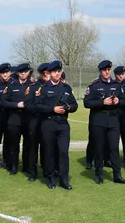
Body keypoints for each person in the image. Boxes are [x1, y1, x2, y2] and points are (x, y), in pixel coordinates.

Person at [83, 60, 125, 185]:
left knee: (114, 148)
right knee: (99, 148)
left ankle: (117, 175)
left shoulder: (117, 85)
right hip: (98, 119)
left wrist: (118, 101)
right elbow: (87, 103)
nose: (107, 72)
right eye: (105, 70)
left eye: (109, 69)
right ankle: (99, 174)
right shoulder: (94, 86)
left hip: (113, 120)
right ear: (100, 71)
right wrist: (102, 102)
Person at [36, 60, 78, 189]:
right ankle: (51, 178)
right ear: (50, 73)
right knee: (49, 152)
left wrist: (69, 107)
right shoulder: (43, 88)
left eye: (59, 71)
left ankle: (64, 179)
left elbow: (75, 105)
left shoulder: (66, 88)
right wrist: (52, 109)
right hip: (48, 123)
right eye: (55, 72)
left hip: (62, 124)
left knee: (63, 152)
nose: (58, 74)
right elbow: (37, 106)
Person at [2, 63, 32, 175]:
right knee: (13, 145)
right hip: (14, 119)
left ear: (28, 72)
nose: (23, 74)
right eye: (21, 72)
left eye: (25, 72)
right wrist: (16, 105)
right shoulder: (11, 85)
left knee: (27, 145)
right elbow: (4, 102)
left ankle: (26, 166)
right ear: (18, 73)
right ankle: (14, 166)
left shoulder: (33, 85)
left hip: (28, 119)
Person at [25, 63, 50, 182]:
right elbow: (28, 105)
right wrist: (39, 108)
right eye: (43, 73)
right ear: (40, 74)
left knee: (47, 147)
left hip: (48, 121)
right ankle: (32, 172)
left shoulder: (52, 87)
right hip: (35, 120)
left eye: (47, 72)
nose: (45, 74)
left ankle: (47, 170)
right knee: (33, 147)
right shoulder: (33, 87)